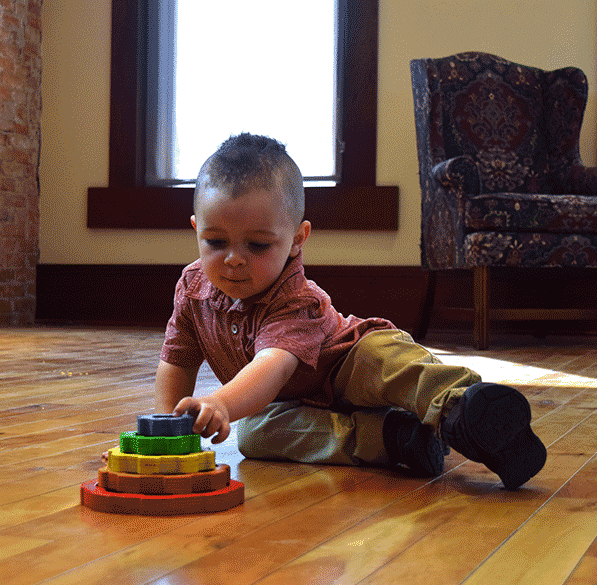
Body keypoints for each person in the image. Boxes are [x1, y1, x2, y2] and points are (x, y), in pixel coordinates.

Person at [159, 133, 547, 489]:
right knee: (255, 435)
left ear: (297, 240)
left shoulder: (294, 297)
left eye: (257, 246)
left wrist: (222, 402)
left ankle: (463, 407)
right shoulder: (192, 290)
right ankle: (397, 439)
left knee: (384, 360)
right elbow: (177, 362)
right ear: (196, 229)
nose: (233, 260)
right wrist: (166, 430)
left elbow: (272, 365)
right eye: (214, 241)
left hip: (345, 362)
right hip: (287, 404)